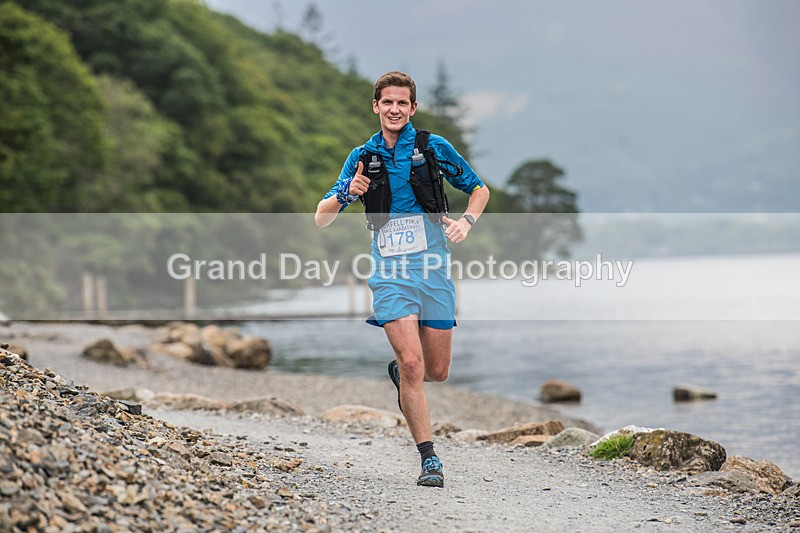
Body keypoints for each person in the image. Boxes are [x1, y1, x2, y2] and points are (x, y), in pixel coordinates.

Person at [315, 71, 489, 487]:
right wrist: (347, 193)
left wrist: (467, 221)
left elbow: (479, 189)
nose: (394, 109)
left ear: (412, 108)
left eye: (402, 103)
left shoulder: (433, 148)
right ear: (376, 106)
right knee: (414, 364)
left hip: (433, 270)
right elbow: (320, 219)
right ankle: (429, 459)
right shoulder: (362, 156)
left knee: (437, 370)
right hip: (389, 272)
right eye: (386, 102)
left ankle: (402, 373)